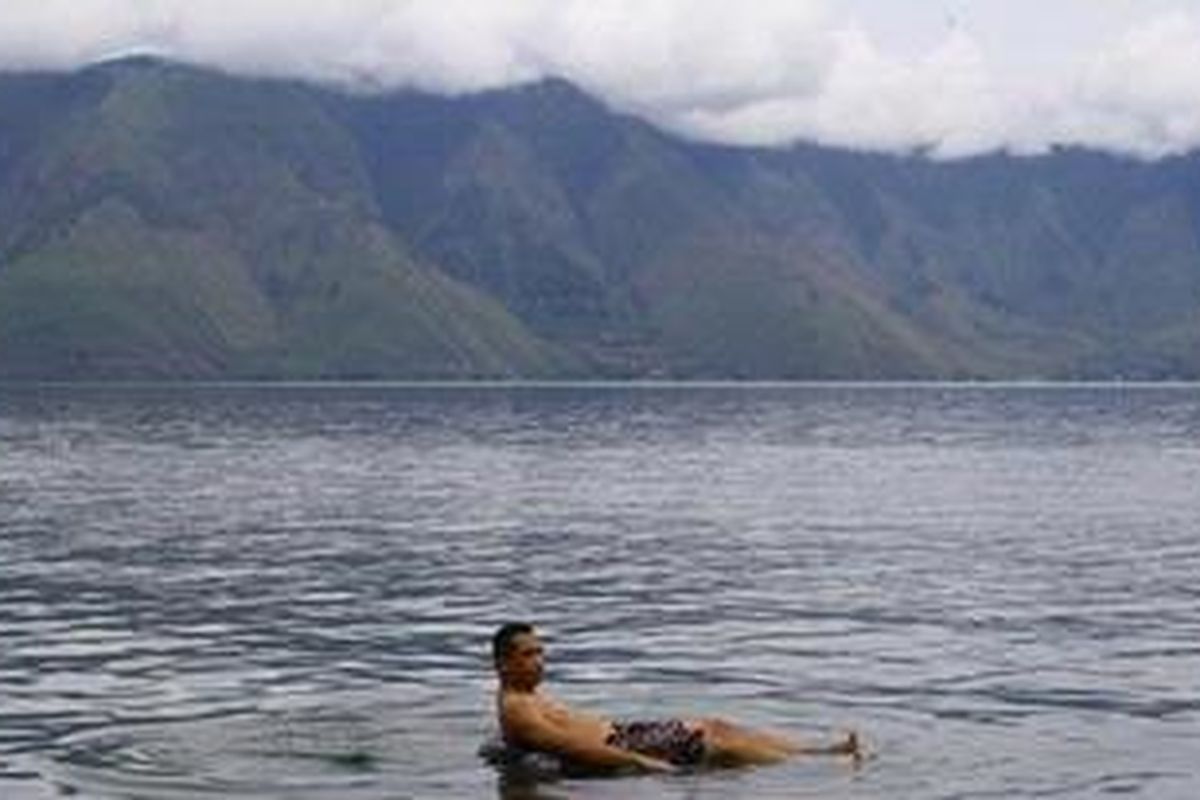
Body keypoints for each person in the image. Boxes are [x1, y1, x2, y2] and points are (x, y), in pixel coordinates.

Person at [492, 622, 863, 774]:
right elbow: (573, 748)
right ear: (503, 663)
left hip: (624, 734)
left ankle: (815, 754)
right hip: (623, 744)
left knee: (717, 727)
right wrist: (644, 763)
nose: (540, 661)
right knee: (713, 740)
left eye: (541, 652)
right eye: (529, 655)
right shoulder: (518, 709)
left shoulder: (528, 696)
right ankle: (816, 766)